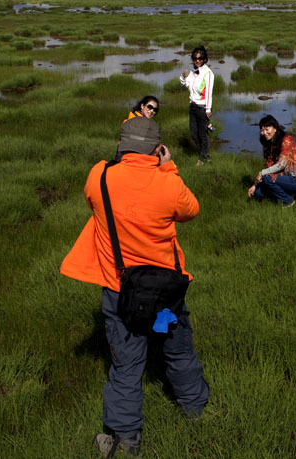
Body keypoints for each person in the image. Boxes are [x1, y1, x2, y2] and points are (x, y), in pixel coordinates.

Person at [61, 118, 209, 457]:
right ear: (157, 149)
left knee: (126, 364)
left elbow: (92, 203)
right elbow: (192, 210)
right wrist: (169, 168)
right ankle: (196, 409)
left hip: (120, 291)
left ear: (121, 145)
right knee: (177, 348)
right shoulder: (167, 183)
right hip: (166, 294)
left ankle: (127, 440)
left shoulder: (98, 176)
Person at [246, 114, 296, 207]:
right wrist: (255, 185)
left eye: (267, 129)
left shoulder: (287, 140)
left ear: (275, 128)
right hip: (287, 177)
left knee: (267, 179)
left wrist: (262, 173)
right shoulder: (271, 144)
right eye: (262, 130)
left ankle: (288, 201)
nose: (264, 132)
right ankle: (288, 193)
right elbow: (269, 166)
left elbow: (281, 165)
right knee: (258, 193)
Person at [180, 45, 214, 165]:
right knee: (194, 135)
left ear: (205, 59)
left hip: (202, 108)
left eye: (200, 58)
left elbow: (209, 92)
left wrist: (208, 109)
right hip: (192, 107)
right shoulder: (193, 72)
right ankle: (205, 155)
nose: (197, 60)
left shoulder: (208, 73)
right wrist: (184, 77)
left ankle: (203, 158)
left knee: (203, 135)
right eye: (195, 58)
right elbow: (185, 85)